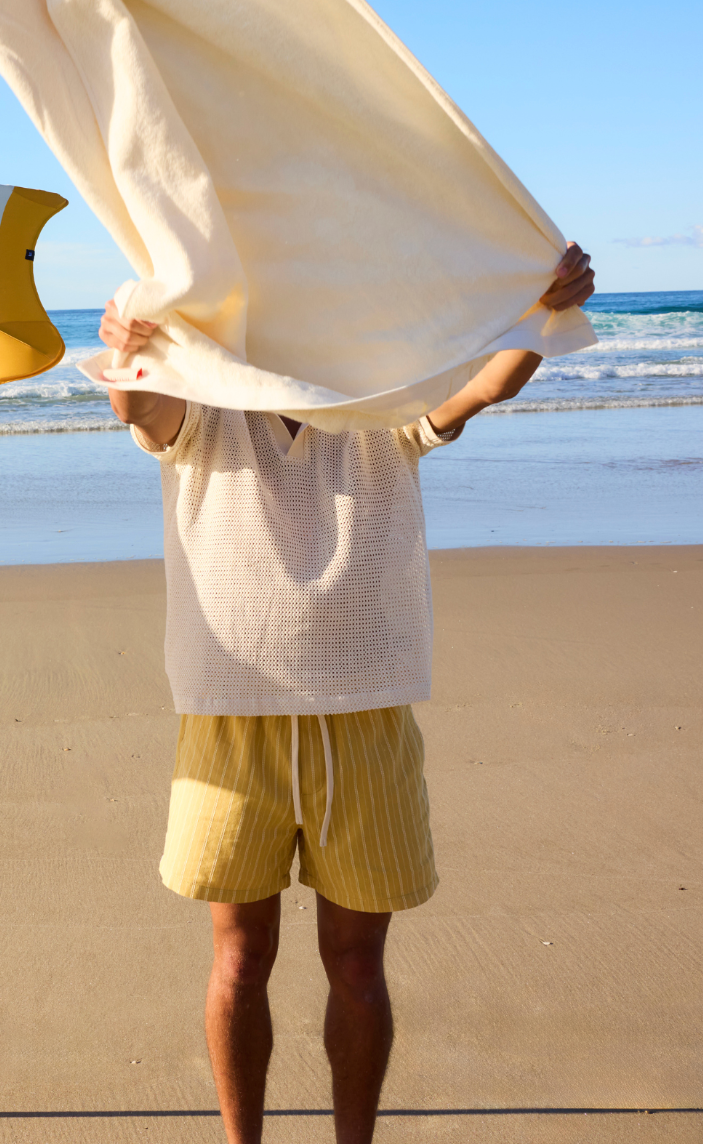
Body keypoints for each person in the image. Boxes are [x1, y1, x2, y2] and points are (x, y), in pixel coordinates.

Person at [99, 244, 596, 1144]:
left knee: (357, 966)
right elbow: (142, 408)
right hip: (230, 716)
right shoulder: (209, 402)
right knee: (240, 959)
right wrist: (132, 345)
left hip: (365, 714)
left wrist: (542, 312)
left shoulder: (379, 401)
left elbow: (487, 387)